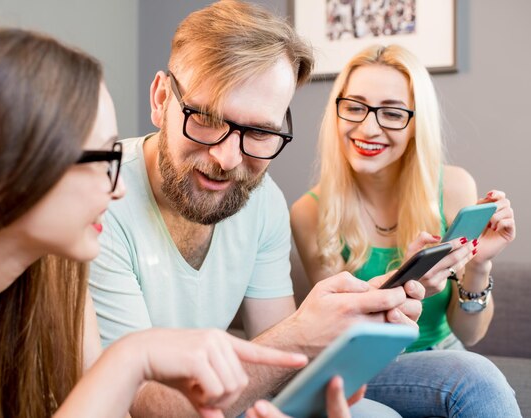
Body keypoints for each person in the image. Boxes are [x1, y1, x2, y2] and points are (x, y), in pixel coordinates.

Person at [0, 26, 328, 418]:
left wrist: (132, 357)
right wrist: (133, 359)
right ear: (8, 167)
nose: (119, 186)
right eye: (104, 159)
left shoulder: (57, 280)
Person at [89, 1, 424, 417]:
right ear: (161, 99)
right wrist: (303, 333)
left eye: (260, 131)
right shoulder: (97, 198)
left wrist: (351, 326)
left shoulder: (262, 199)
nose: (228, 159)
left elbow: (276, 362)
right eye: (206, 118)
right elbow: (137, 406)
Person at [291, 44, 521, 416]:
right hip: (370, 368)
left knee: (475, 376)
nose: (368, 128)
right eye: (354, 107)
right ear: (337, 112)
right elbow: (339, 338)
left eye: (393, 113)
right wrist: (405, 285)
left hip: (446, 355)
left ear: (416, 124)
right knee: (473, 377)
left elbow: (470, 335)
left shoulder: (454, 188)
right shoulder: (309, 213)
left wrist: (478, 265)